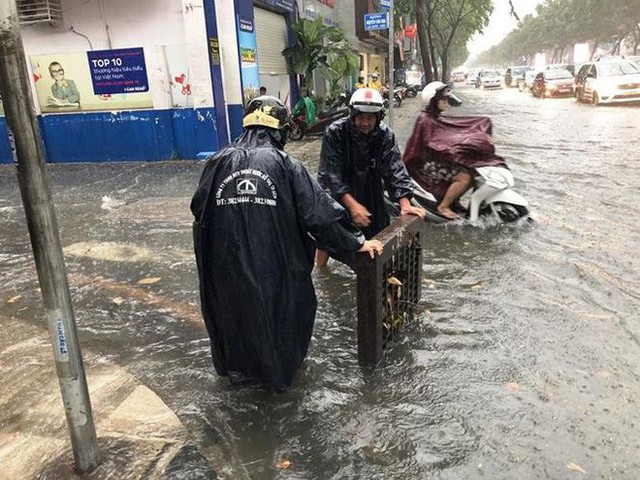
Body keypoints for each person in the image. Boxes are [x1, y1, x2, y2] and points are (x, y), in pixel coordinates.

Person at [190, 95, 383, 392]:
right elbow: (320, 214)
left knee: (234, 325)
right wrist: (356, 242)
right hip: (276, 272)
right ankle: (279, 387)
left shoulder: (217, 161)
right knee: (281, 324)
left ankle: (240, 381)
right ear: (280, 130)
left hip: (225, 272)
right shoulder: (286, 165)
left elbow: (199, 209)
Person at [316, 88, 425, 268]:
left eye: (370, 118)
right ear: (352, 115)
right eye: (360, 117)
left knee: (378, 234)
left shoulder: (385, 135)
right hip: (336, 190)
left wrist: (405, 204)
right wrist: (352, 206)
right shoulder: (335, 132)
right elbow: (331, 173)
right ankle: (321, 273)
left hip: (370, 187)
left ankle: (374, 274)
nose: (365, 123)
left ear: (378, 117)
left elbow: (395, 168)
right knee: (328, 235)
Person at [404, 81, 503, 220]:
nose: (446, 102)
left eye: (446, 98)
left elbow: (454, 132)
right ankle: (443, 206)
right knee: (465, 177)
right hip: (428, 164)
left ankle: (455, 201)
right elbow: (432, 144)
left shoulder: (437, 117)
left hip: (441, 160)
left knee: (474, 172)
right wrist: (452, 150)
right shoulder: (424, 119)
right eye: (443, 99)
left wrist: (472, 138)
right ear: (434, 101)